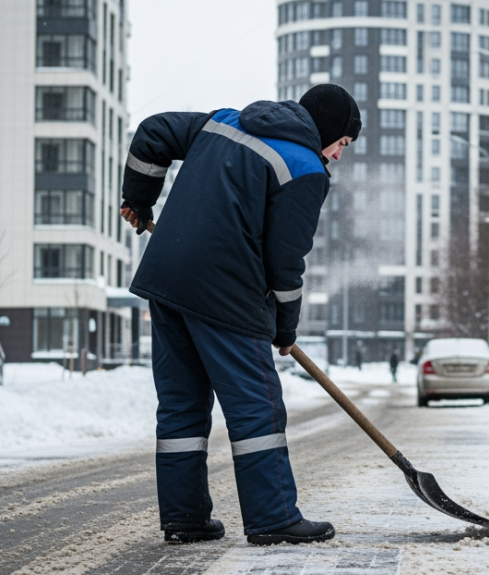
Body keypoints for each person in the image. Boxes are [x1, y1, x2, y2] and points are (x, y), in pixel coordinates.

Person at [119, 84, 360, 546]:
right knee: (257, 407)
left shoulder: (224, 122)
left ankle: (185, 518)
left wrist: (140, 197)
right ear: (329, 130)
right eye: (343, 143)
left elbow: (152, 132)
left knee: (182, 406)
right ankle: (272, 518)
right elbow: (285, 264)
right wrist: (284, 327)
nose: (339, 155)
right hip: (227, 293)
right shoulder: (306, 169)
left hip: (166, 279)